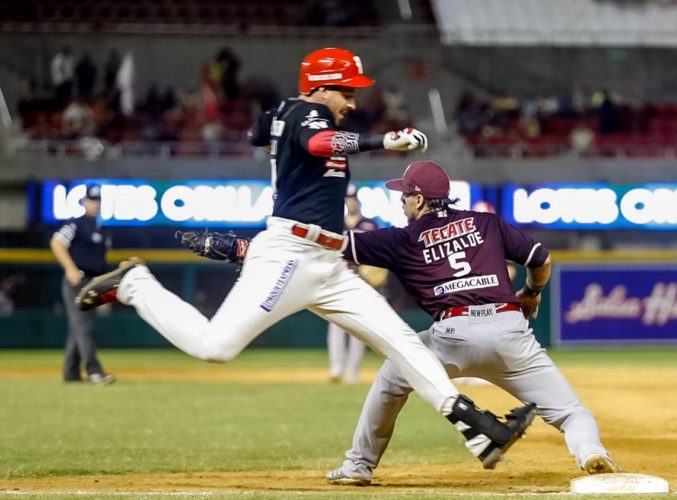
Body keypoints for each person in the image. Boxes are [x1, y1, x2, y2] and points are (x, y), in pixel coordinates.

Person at [76, 47, 537, 469]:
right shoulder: (305, 111)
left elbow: (260, 132)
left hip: (329, 262)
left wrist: (280, 126)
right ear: (321, 85)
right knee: (215, 347)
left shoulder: (292, 112)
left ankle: (477, 431)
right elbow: (316, 143)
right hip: (290, 257)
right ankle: (136, 284)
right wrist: (383, 142)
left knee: (402, 342)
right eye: (348, 91)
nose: (353, 102)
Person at [325, 160, 621, 485]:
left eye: (406, 194)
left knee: (390, 380)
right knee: (571, 412)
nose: (402, 200)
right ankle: (591, 452)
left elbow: (333, 244)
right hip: (509, 330)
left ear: (419, 200)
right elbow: (541, 259)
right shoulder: (487, 223)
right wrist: (531, 292)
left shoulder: (402, 239)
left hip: (450, 337)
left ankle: (359, 466)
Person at [50, 185, 116, 385]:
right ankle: (94, 371)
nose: (95, 204)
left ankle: (71, 372)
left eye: (98, 201)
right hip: (77, 281)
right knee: (83, 326)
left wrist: (105, 291)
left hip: (93, 283)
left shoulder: (102, 230)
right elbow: (56, 242)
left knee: (77, 328)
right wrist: (70, 269)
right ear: (84, 202)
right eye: (92, 201)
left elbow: (101, 263)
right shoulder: (76, 224)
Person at [328, 184, 388, 384]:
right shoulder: (337, 224)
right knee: (336, 325)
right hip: (340, 277)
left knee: (358, 328)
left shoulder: (370, 224)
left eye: (353, 197)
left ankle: (352, 373)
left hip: (363, 280)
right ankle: (336, 368)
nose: (351, 201)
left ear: (358, 200)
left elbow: (380, 251)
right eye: (348, 198)